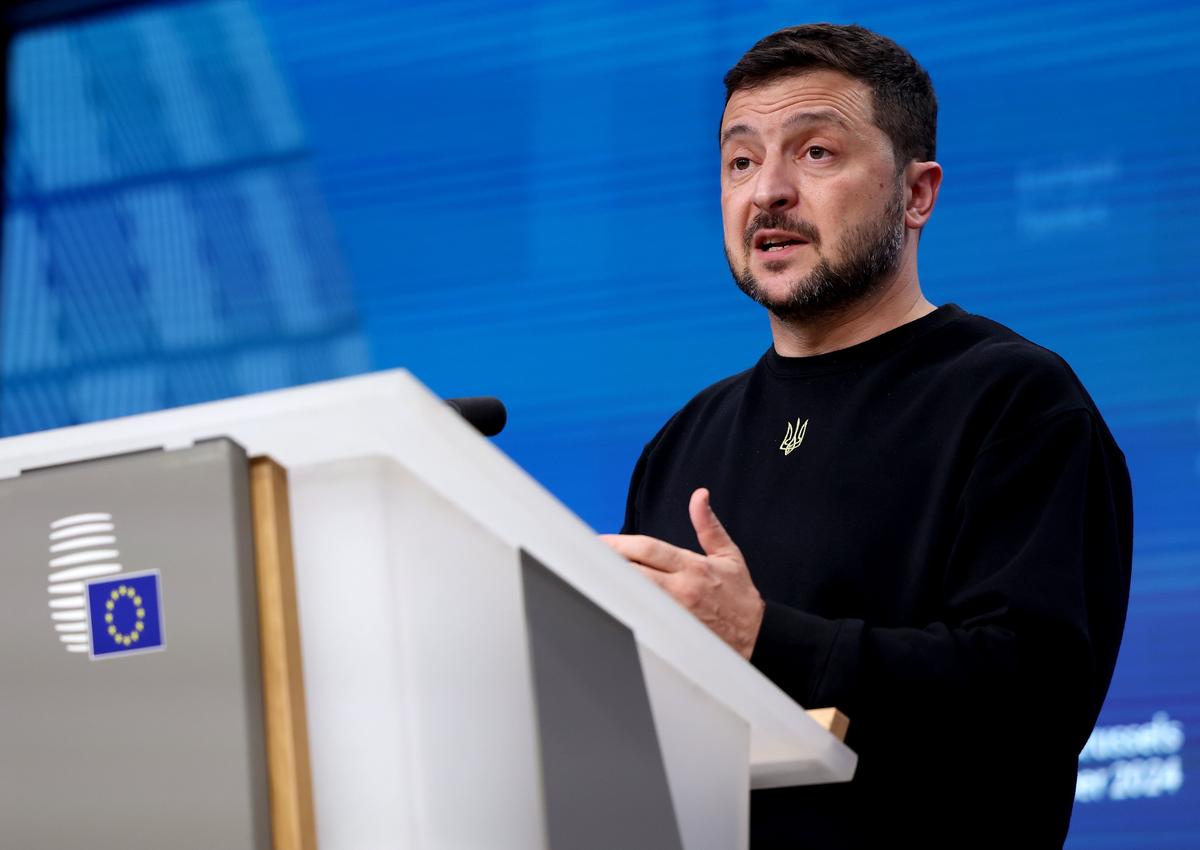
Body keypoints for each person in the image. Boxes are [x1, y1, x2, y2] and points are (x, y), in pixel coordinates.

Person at [601, 23, 1132, 848]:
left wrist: (763, 637)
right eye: (741, 161)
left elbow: (1034, 699)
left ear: (917, 194)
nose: (767, 192)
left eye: (815, 153)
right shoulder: (682, 442)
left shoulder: (1013, 401)